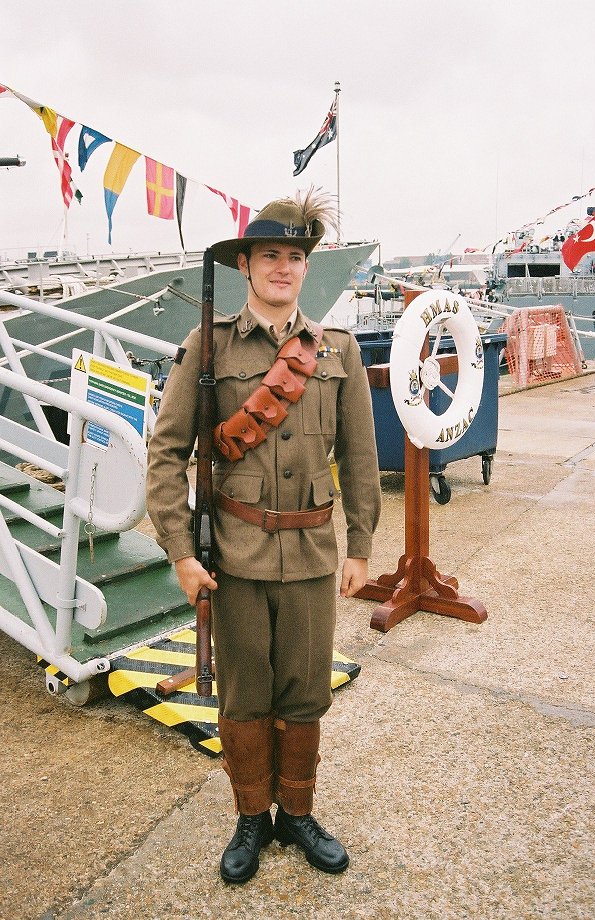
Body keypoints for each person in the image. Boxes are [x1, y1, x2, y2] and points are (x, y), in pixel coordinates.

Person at [146, 189, 381, 884]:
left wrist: (362, 543)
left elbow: (361, 457)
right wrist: (182, 553)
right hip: (236, 560)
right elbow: (166, 453)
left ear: (306, 269)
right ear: (245, 264)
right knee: (244, 695)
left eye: (295, 257)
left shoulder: (334, 351)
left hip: (312, 556)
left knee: (306, 692)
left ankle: (298, 814)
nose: (283, 267)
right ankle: (252, 816)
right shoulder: (208, 346)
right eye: (270, 254)